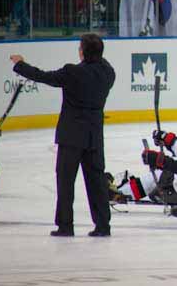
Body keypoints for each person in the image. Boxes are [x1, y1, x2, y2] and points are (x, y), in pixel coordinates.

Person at [10, 34, 116, 237]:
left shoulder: (72, 72)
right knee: (96, 182)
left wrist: (20, 64)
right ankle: (103, 225)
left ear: (82, 52)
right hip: (94, 135)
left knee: (65, 182)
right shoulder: (108, 73)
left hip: (71, 136)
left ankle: (66, 225)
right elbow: (98, 62)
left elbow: (43, 76)